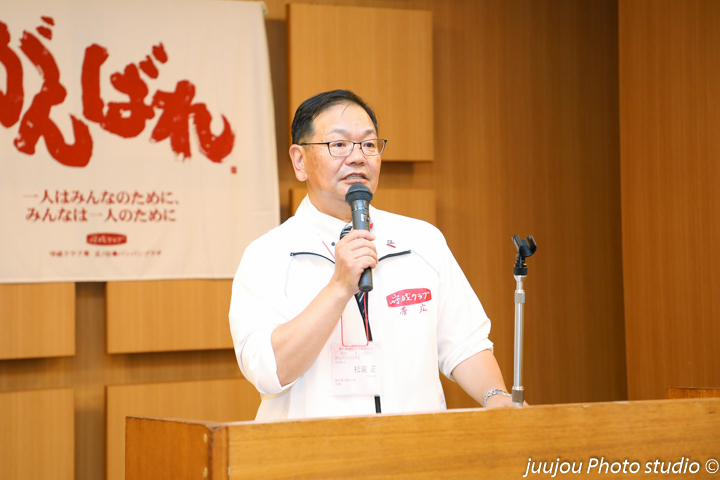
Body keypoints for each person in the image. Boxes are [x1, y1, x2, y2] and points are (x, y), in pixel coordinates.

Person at [229, 89, 516, 421]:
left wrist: (495, 395)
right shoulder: (268, 255)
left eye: (368, 144)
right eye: (338, 144)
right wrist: (338, 287)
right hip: (315, 449)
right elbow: (267, 371)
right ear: (299, 160)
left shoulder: (422, 241)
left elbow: (464, 343)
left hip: (415, 446)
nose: (357, 157)